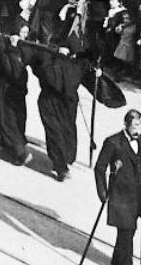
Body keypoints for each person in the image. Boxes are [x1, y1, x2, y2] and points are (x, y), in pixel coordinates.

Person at [93, 109, 141, 265]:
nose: (138, 130)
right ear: (126, 124)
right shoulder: (113, 142)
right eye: (135, 126)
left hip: (138, 198)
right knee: (126, 234)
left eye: (140, 126)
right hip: (120, 198)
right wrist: (103, 193)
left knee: (128, 234)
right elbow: (99, 168)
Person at [33, 43, 84, 181]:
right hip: (61, 103)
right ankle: (63, 163)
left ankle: (62, 165)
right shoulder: (73, 65)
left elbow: (47, 76)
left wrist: (56, 58)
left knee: (56, 133)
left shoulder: (61, 65)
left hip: (54, 102)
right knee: (60, 132)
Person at [0, 32, 32, 165]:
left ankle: (11, 144)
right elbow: (11, 69)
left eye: (26, 32)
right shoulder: (4, 49)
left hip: (17, 89)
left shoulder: (22, 46)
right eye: (22, 32)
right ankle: (20, 152)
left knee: (18, 117)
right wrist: (13, 49)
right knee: (9, 118)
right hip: (6, 88)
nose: (24, 35)